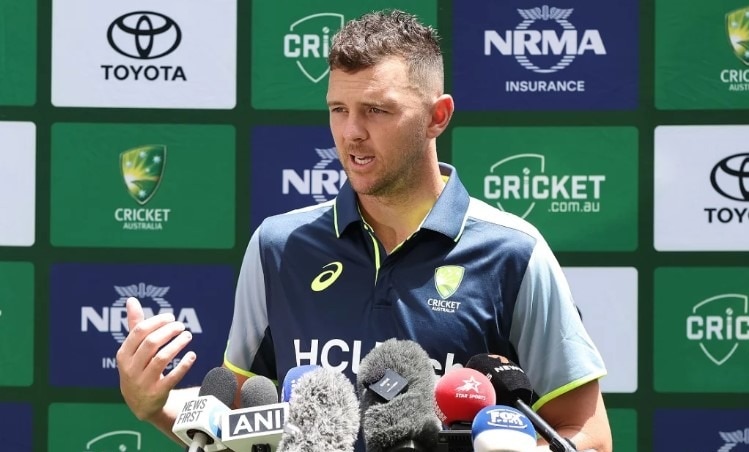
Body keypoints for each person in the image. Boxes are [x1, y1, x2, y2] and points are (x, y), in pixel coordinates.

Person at [116, 9, 612, 452]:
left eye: (377, 110)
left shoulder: (515, 253)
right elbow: (237, 427)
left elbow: (586, 434)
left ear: (437, 117)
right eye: (339, 109)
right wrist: (153, 405)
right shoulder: (277, 247)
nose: (351, 132)